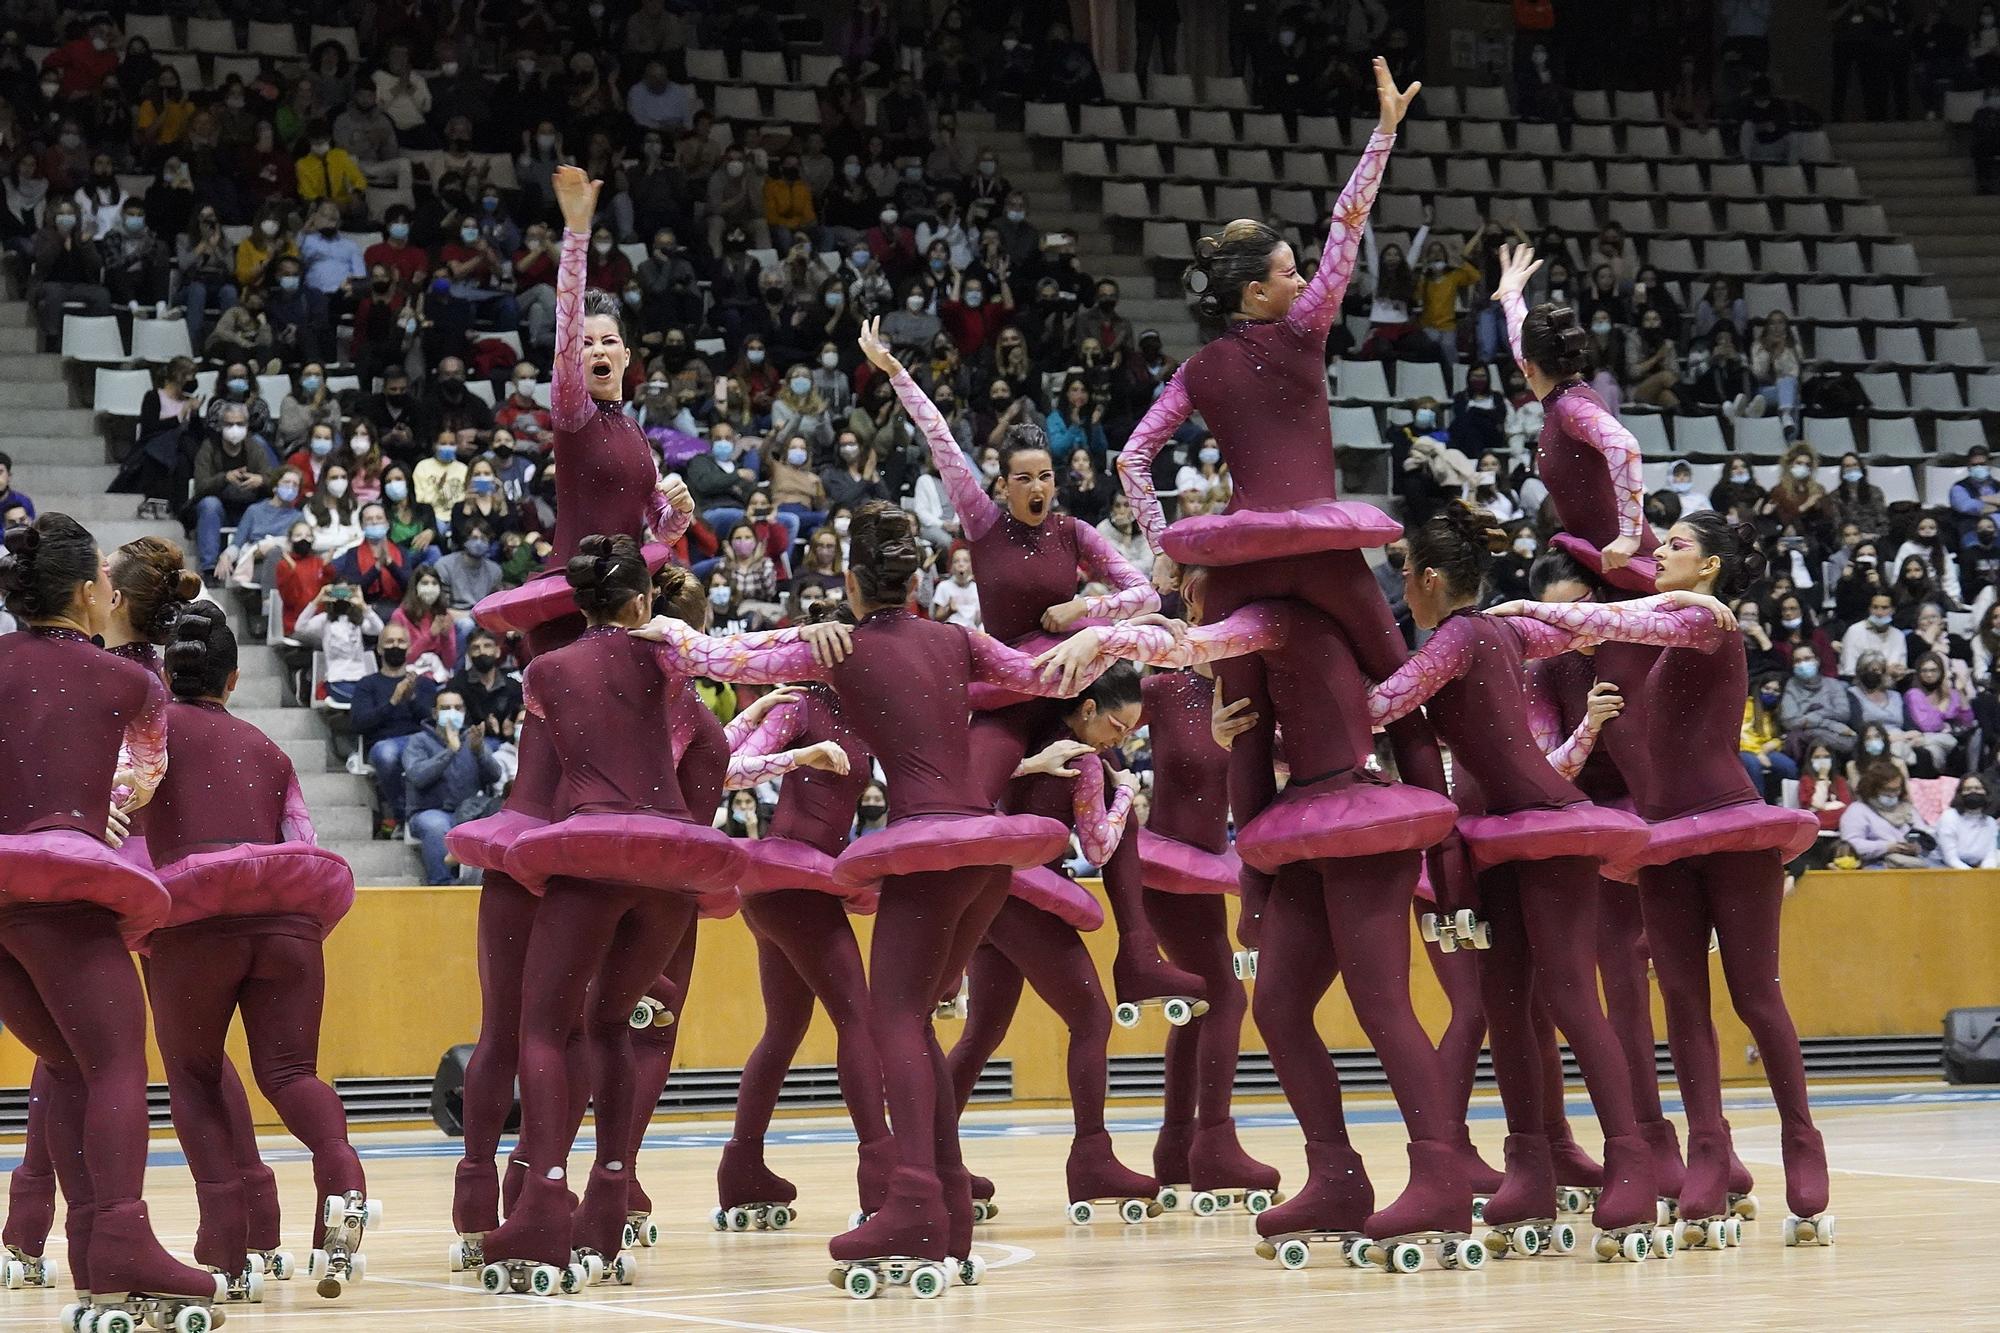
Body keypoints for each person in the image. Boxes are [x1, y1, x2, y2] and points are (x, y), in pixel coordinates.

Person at [1493, 513, 1831, 1247]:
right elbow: (1589, 634)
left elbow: (1610, 618)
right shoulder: (1647, 628)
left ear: (1710, 566)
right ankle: (1708, 1145)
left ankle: (1801, 1138)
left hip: (1729, 823)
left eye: (1677, 545)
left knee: (1754, 995)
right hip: (1662, 832)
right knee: (1680, 998)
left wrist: (1523, 609)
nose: (1662, 553)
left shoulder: (1708, 618)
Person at [0, 514, 228, 1318]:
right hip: (63, 891)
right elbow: (145, 772)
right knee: (117, 1063)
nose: (108, 586)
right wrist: (99, 811)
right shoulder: (131, 681)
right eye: (101, 574)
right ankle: (120, 1241)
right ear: (85, 591)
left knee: (67, 1065)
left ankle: (92, 1242)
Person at [141, 602, 373, 1293]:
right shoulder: (270, 749)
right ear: (235, 678)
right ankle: (342, 1175)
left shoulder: (149, 736)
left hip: (194, 920)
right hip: (286, 921)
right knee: (292, 1073)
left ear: (165, 670)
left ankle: (227, 1246)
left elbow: (118, 815)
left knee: (196, 1073)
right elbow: (298, 838)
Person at [401, 688, 502, 885]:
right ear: (435, 713)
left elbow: (495, 775)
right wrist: (450, 751)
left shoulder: (472, 739)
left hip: (470, 812)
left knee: (499, 815)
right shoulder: (418, 741)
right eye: (446, 708)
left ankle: (491, 885)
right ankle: (442, 885)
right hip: (430, 811)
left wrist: (480, 751)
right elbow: (418, 776)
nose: (452, 712)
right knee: (435, 825)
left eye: (457, 708)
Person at [348, 620, 438, 835]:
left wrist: (412, 699)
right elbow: (359, 723)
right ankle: (404, 816)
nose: (395, 646)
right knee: (387, 754)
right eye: (389, 642)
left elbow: (435, 722)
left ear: (409, 646)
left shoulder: (424, 684)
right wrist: (393, 702)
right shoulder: (367, 684)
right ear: (379, 648)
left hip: (419, 742)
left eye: (400, 641)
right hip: (383, 744)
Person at [1840, 761, 1933, 868]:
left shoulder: (1907, 808)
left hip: (1914, 863)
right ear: (1872, 788)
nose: (1892, 794)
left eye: (1897, 790)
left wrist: (1917, 846)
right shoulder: (1857, 811)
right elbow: (1850, 845)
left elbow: (1924, 834)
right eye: (1888, 790)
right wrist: (1887, 847)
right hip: (1876, 865)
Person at [1779, 644, 1858, 757]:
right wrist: (1830, 724)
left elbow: (1843, 713)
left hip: (1834, 736)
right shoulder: (1791, 685)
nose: (1803, 664)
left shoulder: (1833, 684)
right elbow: (1789, 721)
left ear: (1817, 660)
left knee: (1852, 740)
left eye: (1807, 659)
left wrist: (1811, 716)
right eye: (1797, 661)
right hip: (1810, 736)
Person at [1742, 673, 1796, 801]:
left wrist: (1775, 744)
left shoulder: (1775, 711)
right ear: (1759, 688)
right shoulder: (1747, 706)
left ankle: (1784, 801)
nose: (1771, 693)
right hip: (1744, 750)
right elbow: (1740, 736)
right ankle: (1758, 804)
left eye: (1776, 690)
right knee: (1754, 765)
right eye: (1767, 688)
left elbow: (1780, 736)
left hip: (1765, 750)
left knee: (1789, 767)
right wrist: (1759, 753)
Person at [1935, 775, 1998, 869]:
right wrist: (1972, 876)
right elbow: (1950, 858)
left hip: (1978, 870)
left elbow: (1990, 856)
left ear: (1986, 793)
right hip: (1945, 867)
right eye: (1967, 789)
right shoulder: (1949, 817)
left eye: (1978, 788)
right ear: (1960, 794)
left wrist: (1984, 875)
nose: (1973, 791)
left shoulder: (1990, 822)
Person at [1841, 592, 1908, 679]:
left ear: (1893, 610)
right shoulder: (1854, 631)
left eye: (1885, 608)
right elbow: (1849, 669)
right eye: (1875, 607)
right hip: (1858, 684)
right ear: (1869, 609)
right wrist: (1886, 671)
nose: (1879, 613)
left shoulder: (1898, 635)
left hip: (1890, 686)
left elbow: (1900, 670)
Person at [930, 546, 980, 627]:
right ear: (951, 567)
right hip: (952, 630)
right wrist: (949, 611)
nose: (961, 564)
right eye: (956, 561)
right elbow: (936, 618)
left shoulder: (976, 588)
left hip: (973, 632)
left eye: (966, 561)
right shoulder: (944, 586)